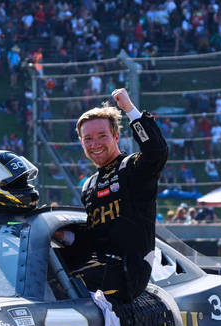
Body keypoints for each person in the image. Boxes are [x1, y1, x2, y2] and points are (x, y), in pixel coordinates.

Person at [59, 88, 168, 303]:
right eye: (88, 138)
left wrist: (129, 109)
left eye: (102, 136)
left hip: (129, 273)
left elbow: (156, 151)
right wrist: (63, 236)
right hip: (98, 270)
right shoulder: (89, 185)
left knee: (63, 288)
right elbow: (92, 240)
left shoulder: (133, 169)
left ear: (116, 136)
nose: (95, 144)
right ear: (81, 143)